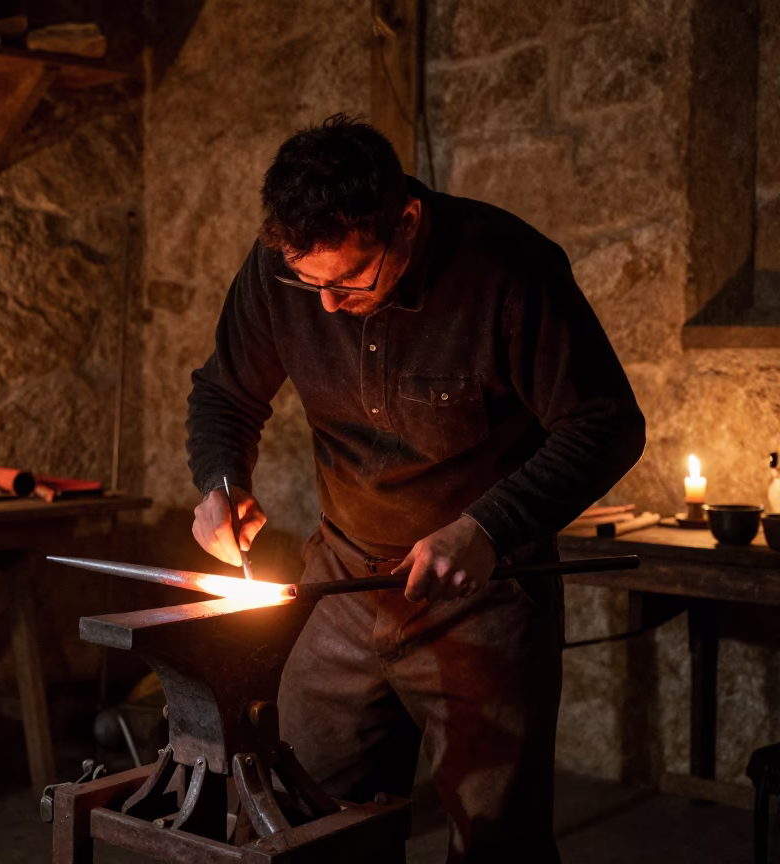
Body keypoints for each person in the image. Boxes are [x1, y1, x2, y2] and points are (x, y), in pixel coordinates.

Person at [185, 114, 645, 862]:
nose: (327, 304)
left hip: (483, 594)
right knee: (302, 813)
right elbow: (225, 395)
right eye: (311, 282)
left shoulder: (508, 270)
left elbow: (606, 424)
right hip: (341, 583)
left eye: (350, 279)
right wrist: (221, 480)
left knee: (498, 838)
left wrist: (491, 527)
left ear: (405, 222)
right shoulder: (281, 275)